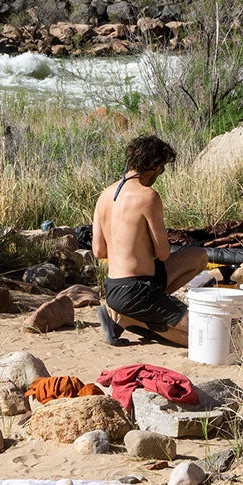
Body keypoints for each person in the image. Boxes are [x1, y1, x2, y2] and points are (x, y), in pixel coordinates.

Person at [93, 135, 207, 346]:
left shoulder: (104, 195)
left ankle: (125, 314)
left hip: (114, 286)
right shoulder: (148, 196)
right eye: (162, 169)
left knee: (198, 256)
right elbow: (163, 254)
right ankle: (130, 319)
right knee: (205, 336)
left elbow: (99, 251)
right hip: (137, 291)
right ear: (155, 166)